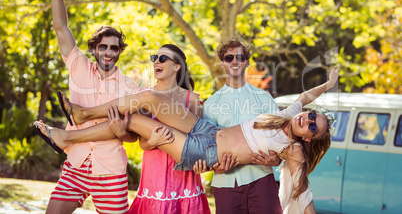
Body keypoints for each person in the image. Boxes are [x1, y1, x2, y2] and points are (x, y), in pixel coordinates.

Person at [35, 67, 339, 214]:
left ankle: (66, 136)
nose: (308, 120)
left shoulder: (293, 150)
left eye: (313, 126)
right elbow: (303, 97)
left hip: (204, 152)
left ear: (311, 138)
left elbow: (303, 195)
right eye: (312, 116)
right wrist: (329, 84)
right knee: (151, 98)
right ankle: (83, 113)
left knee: (137, 121)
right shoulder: (283, 117)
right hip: (206, 130)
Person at [42, 0, 139, 214]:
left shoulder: (131, 88)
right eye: (104, 47)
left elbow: (132, 135)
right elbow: (61, 26)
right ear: (94, 49)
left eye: (115, 48)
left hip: (110, 170)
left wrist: (122, 133)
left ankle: (63, 136)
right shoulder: (78, 65)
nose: (109, 52)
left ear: (120, 51)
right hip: (75, 163)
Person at [198, 38, 282, 213]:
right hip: (225, 182)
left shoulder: (264, 99)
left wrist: (276, 159)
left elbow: (280, 140)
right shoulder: (211, 104)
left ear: (247, 62)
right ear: (222, 63)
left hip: (262, 179)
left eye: (240, 57)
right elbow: (207, 147)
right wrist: (215, 165)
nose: (235, 62)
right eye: (229, 58)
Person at [128, 44, 211, 213]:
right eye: (155, 58)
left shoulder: (192, 99)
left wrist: (201, 165)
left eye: (163, 58)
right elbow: (142, 143)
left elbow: (199, 141)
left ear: (176, 66)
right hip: (155, 172)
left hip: (185, 176)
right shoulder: (145, 96)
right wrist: (153, 141)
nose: (156, 62)